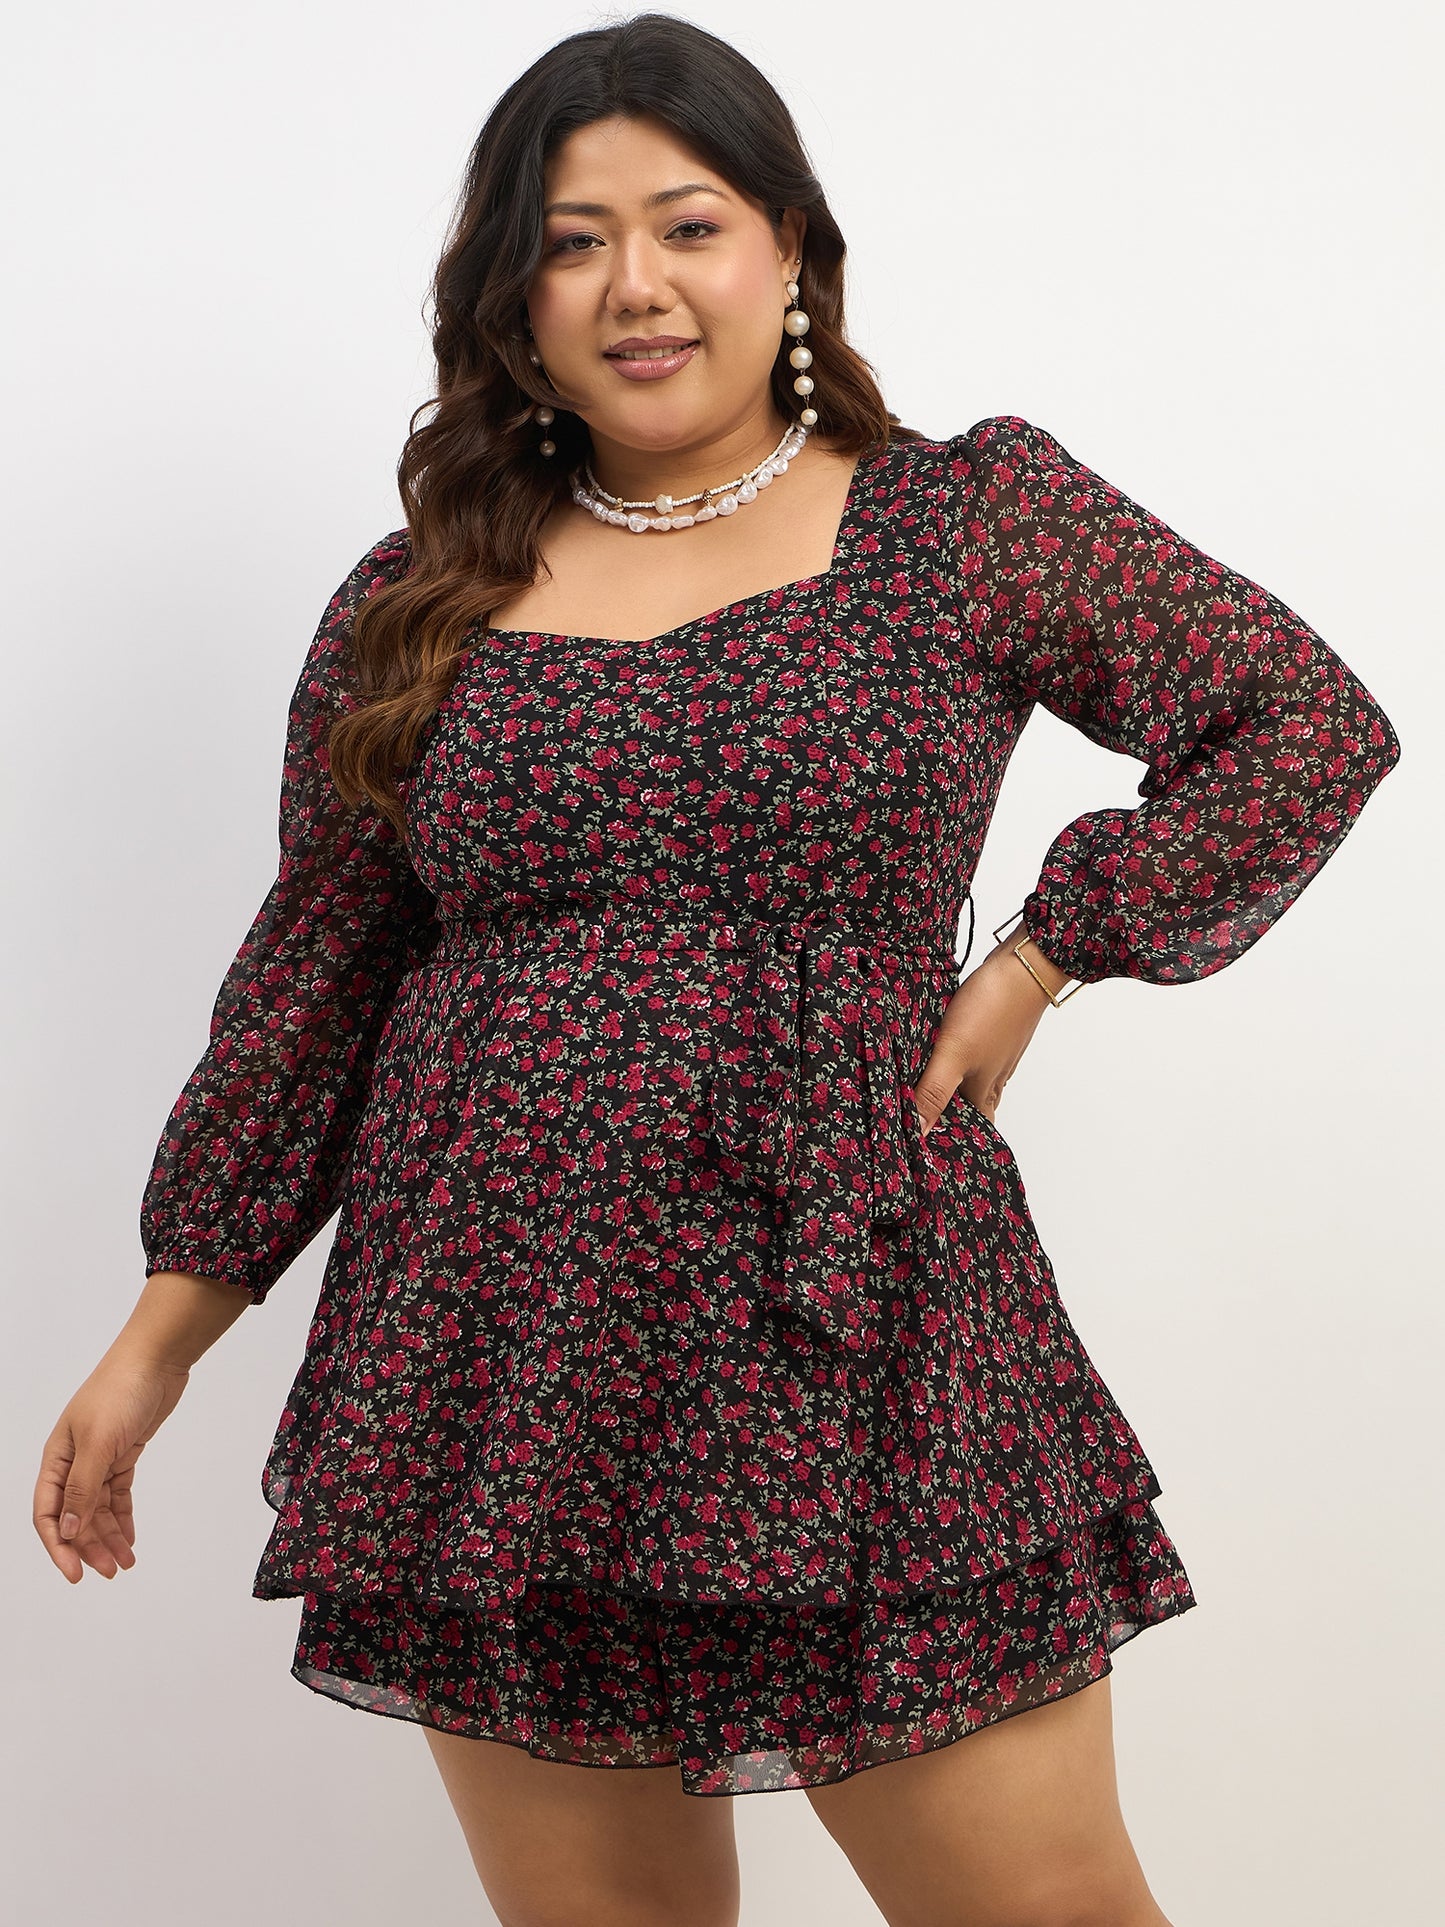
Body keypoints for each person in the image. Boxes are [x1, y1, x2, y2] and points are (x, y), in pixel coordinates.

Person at [33, 14, 1401, 1927]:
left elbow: (1298, 722)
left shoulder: (962, 518)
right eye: (570, 241)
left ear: (788, 252)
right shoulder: (412, 601)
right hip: (495, 1353)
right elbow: (312, 994)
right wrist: (153, 1346)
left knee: (1045, 1909)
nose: (635, 284)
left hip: (856, 1326)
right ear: (510, 299)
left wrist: (1041, 957)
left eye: (686, 225)